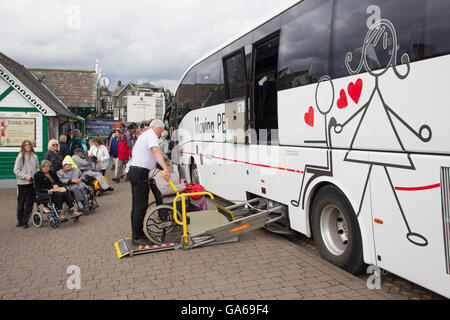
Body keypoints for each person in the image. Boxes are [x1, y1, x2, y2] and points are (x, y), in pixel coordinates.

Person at [127, 119, 170, 246]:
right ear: (159, 128)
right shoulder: (151, 135)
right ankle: (137, 237)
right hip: (139, 173)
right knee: (140, 207)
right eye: (161, 131)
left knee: (137, 206)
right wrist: (166, 168)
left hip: (136, 171)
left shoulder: (145, 135)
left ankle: (137, 233)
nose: (160, 134)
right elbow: (156, 151)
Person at [13, 140, 39, 228]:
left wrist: (35, 176)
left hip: (31, 183)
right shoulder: (20, 157)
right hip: (22, 183)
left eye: (29, 145)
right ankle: (20, 219)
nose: (27, 146)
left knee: (29, 202)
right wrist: (25, 176)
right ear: (23, 147)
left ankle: (26, 220)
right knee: (21, 202)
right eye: (25, 145)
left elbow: (37, 168)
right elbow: (16, 170)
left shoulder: (34, 157)